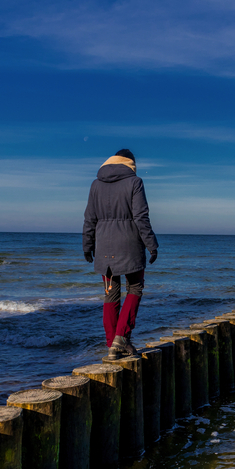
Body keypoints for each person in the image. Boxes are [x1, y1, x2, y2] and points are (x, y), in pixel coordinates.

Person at [83, 149, 159, 360]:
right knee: (135, 288)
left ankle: (112, 345)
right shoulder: (135, 182)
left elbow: (89, 218)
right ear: (130, 163)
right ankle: (122, 338)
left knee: (111, 294)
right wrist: (152, 245)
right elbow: (141, 217)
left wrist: (87, 246)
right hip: (130, 245)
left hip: (104, 248)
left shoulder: (95, 184)